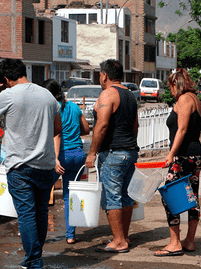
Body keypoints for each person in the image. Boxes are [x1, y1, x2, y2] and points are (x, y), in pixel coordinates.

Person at [0, 58, 61, 269]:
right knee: (40, 213)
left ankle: (35, 264)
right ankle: (34, 259)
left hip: (20, 166)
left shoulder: (8, 95)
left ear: (7, 79)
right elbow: (57, 128)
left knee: (27, 215)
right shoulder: (47, 95)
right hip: (46, 166)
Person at [84, 59, 138, 254]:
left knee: (112, 197)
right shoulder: (130, 95)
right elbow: (135, 126)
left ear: (104, 75)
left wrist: (92, 153)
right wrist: (131, 147)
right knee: (126, 195)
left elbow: (102, 125)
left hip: (114, 154)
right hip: (130, 152)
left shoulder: (108, 93)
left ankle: (118, 241)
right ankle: (124, 237)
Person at [154, 69, 201, 256]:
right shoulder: (196, 100)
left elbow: (182, 130)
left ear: (176, 84)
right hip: (195, 155)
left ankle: (175, 243)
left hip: (183, 157)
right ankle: (189, 241)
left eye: (171, 87)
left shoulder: (184, 100)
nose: (171, 92)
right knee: (192, 197)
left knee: (170, 195)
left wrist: (171, 154)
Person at [43, 79, 90, 244]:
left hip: (60, 156)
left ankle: (33, 230)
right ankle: (70, 235)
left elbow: (52, 134)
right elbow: (86, 129)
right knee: (70, 196)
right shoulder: (74, 107)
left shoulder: (50, 108)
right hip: (77, 156)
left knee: (41, 192)